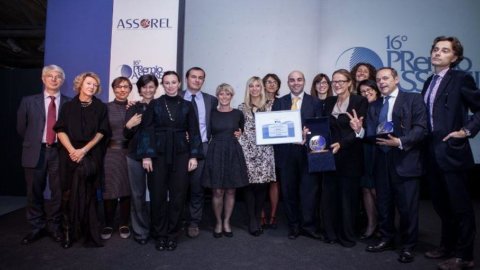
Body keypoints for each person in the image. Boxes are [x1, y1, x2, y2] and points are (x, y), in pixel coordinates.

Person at [351, 68, 427, 263]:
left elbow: (421, 128)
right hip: (381, 161)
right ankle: (387, 239)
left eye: (385, 78)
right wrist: (360, 131)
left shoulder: (413, 99)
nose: (382, 82)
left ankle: (409, 246)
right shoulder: (375, 105)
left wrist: (400, 142)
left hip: (405, 159)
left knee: (407, 208)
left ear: (396, 79)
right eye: (379, 79)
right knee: (384, 205)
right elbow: (371, 134)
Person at [422, 36, 480, 270]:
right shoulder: (429, 81)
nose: (437, 53)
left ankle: (465, 256)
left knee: (461, 207)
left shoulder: (461, 79)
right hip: (431, 153)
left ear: (454, 57)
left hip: (452, 152)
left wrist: (466, 131)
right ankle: (446, 246)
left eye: (444, 50)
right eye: (435, 49)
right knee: (441, 205)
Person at [139, 71, 202, 251]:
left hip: (182, 155)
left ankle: (173, 234)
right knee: (158, 196)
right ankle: (160, 235)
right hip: (157, 155)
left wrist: (194, 156)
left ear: (179, 83)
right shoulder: (155, 104)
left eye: (173, 82)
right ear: (163, 85)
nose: (170, 85)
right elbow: (146, 130)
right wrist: (146, 155)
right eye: (166, 82)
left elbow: (195, 131)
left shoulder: (187, 105)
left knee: (178, 196)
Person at [54, 72, 110, 248]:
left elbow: (102, 132)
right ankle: (68, 231)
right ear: (80, 85)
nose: (92, 87)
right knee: (68, 193)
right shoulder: (68, 106)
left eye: (94, 85)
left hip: (91, 153)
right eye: (88, 83)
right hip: (69, 154)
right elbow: (60, 129)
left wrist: (84, 150)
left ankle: (88, 230)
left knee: (88, 190)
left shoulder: (100, 107)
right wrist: (73, 150)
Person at [17, 65, 71, 245]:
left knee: (58, 191)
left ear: (62, 81)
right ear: (43, 78)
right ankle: (36, 227)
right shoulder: (28, 101)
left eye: (58, 77)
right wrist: (35, 142)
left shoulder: (69, 103)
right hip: (35, 151)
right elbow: (21, 128)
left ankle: (54, 226)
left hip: (59, 152)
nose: (54, 79)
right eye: (50, 76)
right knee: (34, 191)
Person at [272, 70, 322, 240]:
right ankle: (293, 226)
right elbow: (274, 126)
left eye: (299, 79)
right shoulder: (279, 102)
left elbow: (320, 126)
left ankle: (308, 226)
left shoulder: (315, 102)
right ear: (288, 82)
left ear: (304, 81)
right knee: (288, 191)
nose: (296, 83)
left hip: (308, 153)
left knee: (309, 192)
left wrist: (309, 133)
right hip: (286, 153)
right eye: (292, 80)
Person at [321, 69, 367, 247]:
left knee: (348, 199)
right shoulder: (329, 101)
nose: (337, 84)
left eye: (341, 81)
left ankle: (347, 236)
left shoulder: (359, 101)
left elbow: (361, 131)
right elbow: (323, 127)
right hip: (329, 156)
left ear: (349, 83)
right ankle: (331, 233)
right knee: (329, 197)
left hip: (350, 157)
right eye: (334, 82)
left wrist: (344, 142)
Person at [202, 83, 248, 238]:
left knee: (230, 189)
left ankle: (227, 221)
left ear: (232, 96)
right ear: (217, 96)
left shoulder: (238, 114)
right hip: (216, 151)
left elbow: (241, 130)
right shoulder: (211, 113)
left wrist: (240, 133)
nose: (224, 97)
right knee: (217, 190)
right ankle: (218, 222)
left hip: (233, 151)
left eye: (227, 94)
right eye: (221, 94)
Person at [180, 67, 218, 238]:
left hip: (202, 148)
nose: (196, 80)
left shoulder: (211, 100)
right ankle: (178, 220)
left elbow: (219, 122)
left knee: (197, 187)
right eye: (193, 77)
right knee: (178, 187)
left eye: (200, 78)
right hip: (179, 149)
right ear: (187, 78)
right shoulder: (176, 97)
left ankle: (194, 222)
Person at [238, 76, 276, 236]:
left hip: (265, 151)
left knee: (262, 186)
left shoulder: (270, 106)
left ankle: (257, 214)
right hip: (247, 151)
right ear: (248, 89)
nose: (254, 89)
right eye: (251, 86)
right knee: (249, 186)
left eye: (257, 86)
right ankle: (253, 219)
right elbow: (238, 128)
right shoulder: (241, 107)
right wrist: (238, 133)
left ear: (262, 88)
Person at [123, 74, 158, 245]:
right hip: (134, 156)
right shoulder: (132, 107)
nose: (148, 90)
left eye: (151, 86)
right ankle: (140, 231)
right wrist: (128, 126)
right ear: (139, 89)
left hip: (156, 157)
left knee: (158, 194)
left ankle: (156, 228)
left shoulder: (161, 106)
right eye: (144, 87)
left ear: (156, 88)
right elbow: (126, 134)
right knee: (137, 195)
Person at [101, 77, 133, 241]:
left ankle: (124, 223)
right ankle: (108, 223)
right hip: (110, 153)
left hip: (129, 153)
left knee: (127, 190)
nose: (122, 90)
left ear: (130, 89)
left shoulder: (134, 107)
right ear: (113, 88)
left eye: (126, 87)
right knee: (110, 189)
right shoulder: (105, 108)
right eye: (119, 87)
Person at [356, 79, 381, 240]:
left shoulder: (383, 105)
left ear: (376, 90)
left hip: (380, 151)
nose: (366, 93)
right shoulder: (360, 108)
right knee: (366, 188)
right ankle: (371, 224)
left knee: (377, 190)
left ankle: (385, 225)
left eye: (369, 89)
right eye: (362, 91)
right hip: (364, 151)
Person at [261, 73, 282, 229]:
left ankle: (273, 214)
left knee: (275, 180)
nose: (271, 84)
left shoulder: (283, 102)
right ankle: (261, 214)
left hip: (278, 147)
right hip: (260, 147)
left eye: (274, 82)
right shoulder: (258, 102)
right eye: (268, 82)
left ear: (278, 85)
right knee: (261, 182)